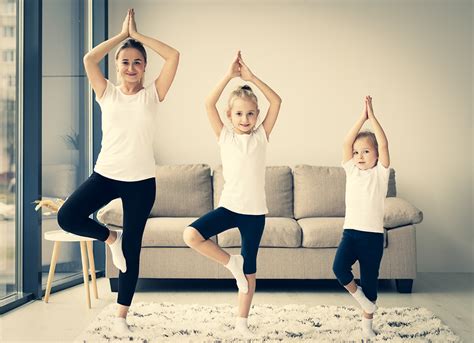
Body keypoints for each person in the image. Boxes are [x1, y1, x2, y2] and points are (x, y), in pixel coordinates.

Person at [57, 8, 179, 333]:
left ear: (144, 67)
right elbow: (87, 59)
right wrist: (122, 37)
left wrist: (138, 37)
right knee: (67, 217)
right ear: (116, 66)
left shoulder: (153, 95)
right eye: (124, 62)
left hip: (141, 183)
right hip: (106, 175)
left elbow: (174, 55)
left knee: (133, 248)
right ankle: (111, 237)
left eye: (137, 61)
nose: (131, 67)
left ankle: (121, 316)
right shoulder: (106, 92)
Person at [182, 51, 282, 338]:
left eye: (251, 113)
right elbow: (207, 103)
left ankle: (242, 322)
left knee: (250, 270)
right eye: (239, 113)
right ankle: (231, 263)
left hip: (254, 214)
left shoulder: (262, 136)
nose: (245, 118)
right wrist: (229, 76)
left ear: (257, 115)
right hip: (229, 208)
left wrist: (251, 78)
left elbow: (277, 101)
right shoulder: (224, 136)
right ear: (230, 116)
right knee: (191, 235)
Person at [332, 95, 390, 339]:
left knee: (370, 281)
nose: (360, 156)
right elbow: (346, 143)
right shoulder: (351, 171)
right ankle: (363, 302)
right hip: (351, 233)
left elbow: (385, 144)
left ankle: (367, 327)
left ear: (376, 155)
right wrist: (361, 117)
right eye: (357, 152)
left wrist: (373, 118)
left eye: (366, 151)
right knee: (339, 268)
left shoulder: (381, 174)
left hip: (373, 237)